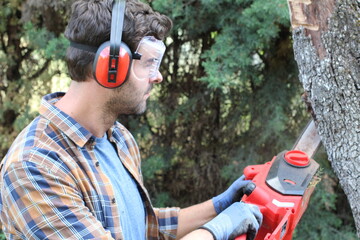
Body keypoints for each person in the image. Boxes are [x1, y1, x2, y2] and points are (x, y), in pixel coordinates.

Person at [0, 0, 262, 239]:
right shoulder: (34, 167)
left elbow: (139, 228)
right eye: (148, 63)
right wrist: (218, 229)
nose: (157, 76)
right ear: (109, 66)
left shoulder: (118, 139)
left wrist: (217, 207)